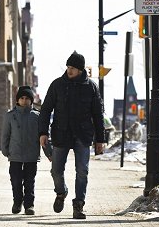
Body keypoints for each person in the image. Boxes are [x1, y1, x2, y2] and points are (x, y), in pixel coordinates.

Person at [38, 51, 105, 219]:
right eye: (68, 67)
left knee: (82, 171)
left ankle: (79, 205)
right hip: (61, 133)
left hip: (83, 135)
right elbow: (45, 110)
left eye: (73, 68)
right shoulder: (57, 85)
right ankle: (61, 192)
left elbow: (98, 114)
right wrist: (43, 132)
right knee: (56, 170)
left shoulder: (91, 87)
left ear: (81, 70)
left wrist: (100, 139)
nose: (69, 70)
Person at [1, 86, 40, 215]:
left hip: (31, 155)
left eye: (27, 98)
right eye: (22, 98)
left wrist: (48, 152)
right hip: (15, 154)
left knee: (29, 181)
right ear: (18, 100)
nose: (24, 101)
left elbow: (43, 136)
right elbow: (5, 135)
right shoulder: (10, 116)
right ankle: (17, 202)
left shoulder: (36, 116)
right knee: (16, 180)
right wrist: (5, 150)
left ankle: (29, 205)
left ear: (31, 100)